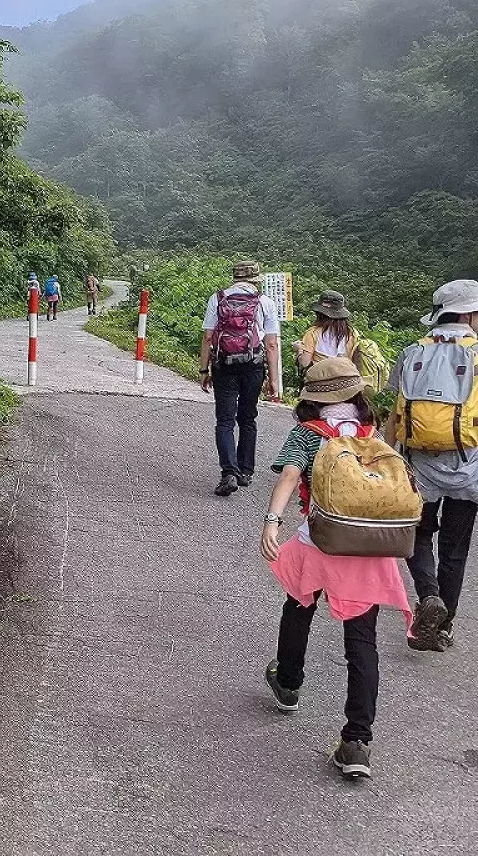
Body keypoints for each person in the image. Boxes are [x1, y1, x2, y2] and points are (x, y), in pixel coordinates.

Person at [260, 357, 412, 780]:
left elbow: (289, 477)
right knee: (361, 642)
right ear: (357, 394)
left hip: (320, 542)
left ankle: (288, 682)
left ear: (312, 398)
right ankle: (357, 743)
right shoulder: (371, 434)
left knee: (299, 606)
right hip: (369, 549)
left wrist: (271, 521)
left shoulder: (308, 435)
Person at [383, 279, 478, 652]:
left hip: (419, 465)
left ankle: (429, 595)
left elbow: (396, 412)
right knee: (455, 549)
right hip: (469, 466)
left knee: (419, 536)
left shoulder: (412, 353)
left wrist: (378, 458)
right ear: (470, 314)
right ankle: (442, 627)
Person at [199, 260, 283, 496]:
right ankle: (245, 472)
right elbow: (272, 344)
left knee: (225, 421)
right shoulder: (264, 302)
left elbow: (207, 337)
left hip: (224, 365)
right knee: (248, 418)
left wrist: (204, 370)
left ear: (235, 278)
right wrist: (274, 380)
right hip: (253, 367)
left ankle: (229, 473)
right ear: (256, 280)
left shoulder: (218, 298)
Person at [295, 291, 359, 373]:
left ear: (320, 313)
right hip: (348, 379)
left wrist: (299, 350)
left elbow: (304, 363)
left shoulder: (313, 333)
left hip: (321, 381)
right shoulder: (352, 333)